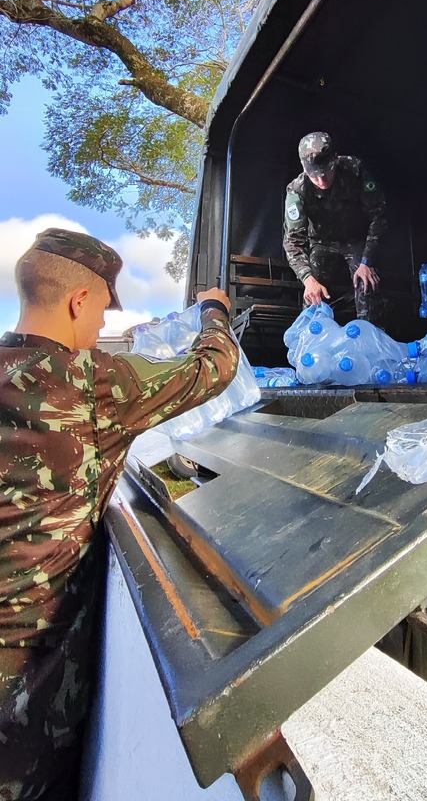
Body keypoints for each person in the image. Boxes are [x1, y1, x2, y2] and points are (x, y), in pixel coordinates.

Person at [0, 227, 239, 800]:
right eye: (103, 310)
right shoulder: (88, 384)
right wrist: (214, 311)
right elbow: (215, 367)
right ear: (79, 300)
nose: (102, 326)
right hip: (24, 685)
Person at [283, 132, 387, 322]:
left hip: (355, 238)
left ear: (335, 159)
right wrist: (308, 279)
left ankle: (371, 338)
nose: (322, 182)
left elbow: (379, 216)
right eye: (315, 176)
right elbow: (292, 242)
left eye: (326, 172)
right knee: (313, 294)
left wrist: (366, 262)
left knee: (367, 283)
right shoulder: (297, 190)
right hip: (321, 242)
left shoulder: (355, 170)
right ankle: (312, 341)